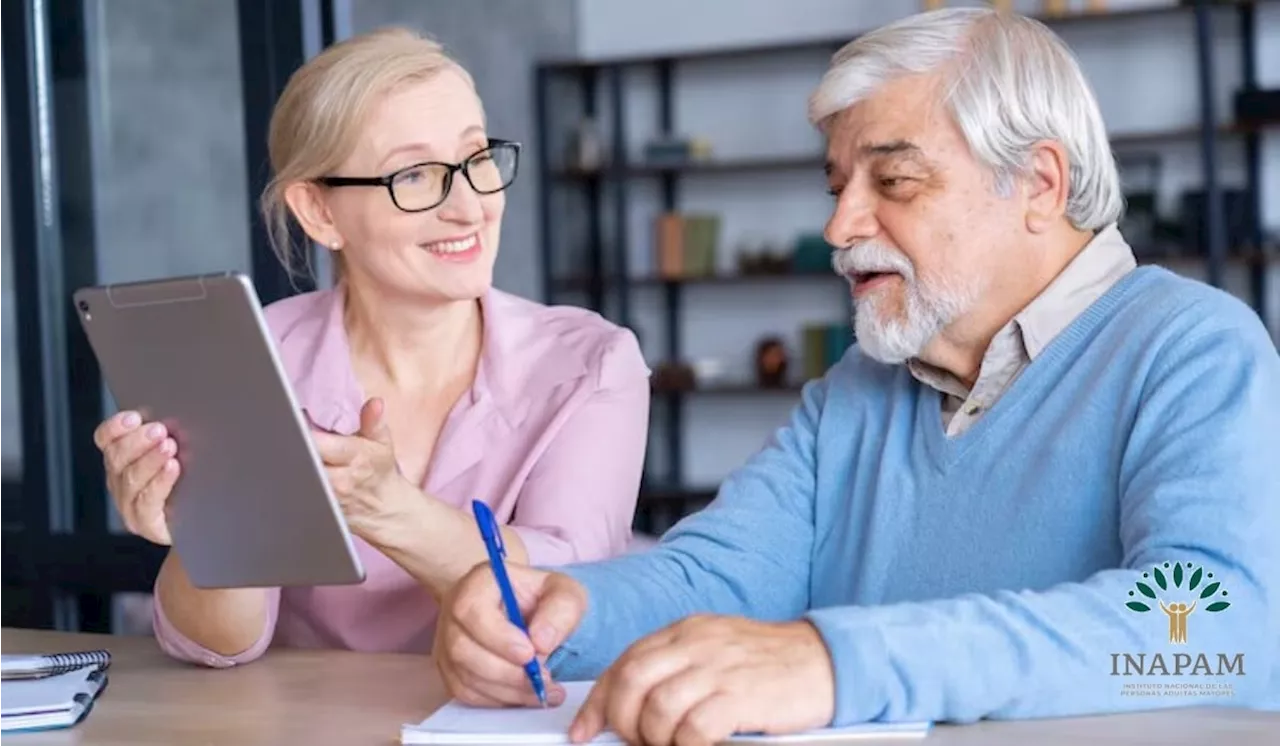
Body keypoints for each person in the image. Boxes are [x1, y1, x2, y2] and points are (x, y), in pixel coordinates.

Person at [433, 7, 1280, 744]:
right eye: (837, 185)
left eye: (894, 180)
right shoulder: (862, 387)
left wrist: (837, 662)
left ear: (1038, 184)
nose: (841, 226)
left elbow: (1211, 630)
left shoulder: (1194, 350)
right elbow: (721, 576)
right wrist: (561, 612)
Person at [91, 27, 651, 668]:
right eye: (414, 176)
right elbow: (220, 647)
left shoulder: (590, 364)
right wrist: (208, 533)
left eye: (476, 160)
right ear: (319, 213)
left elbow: (569, 608)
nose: (469, 207)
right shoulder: (258, 357)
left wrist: (391, 511)